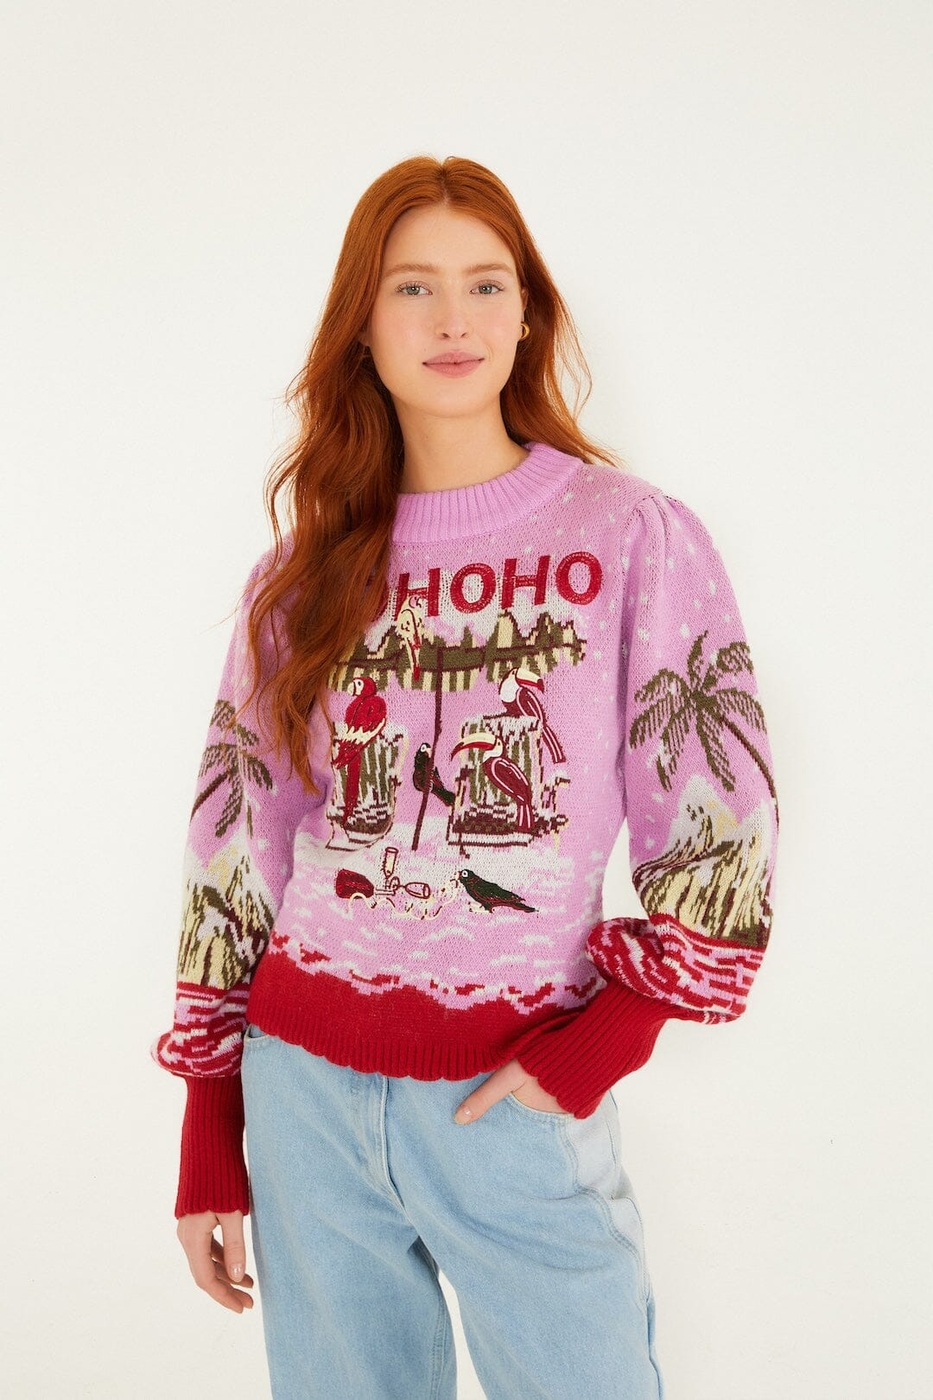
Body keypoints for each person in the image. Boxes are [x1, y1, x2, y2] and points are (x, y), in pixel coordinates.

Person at [154, 155, 777, 1400]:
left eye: (487, 284)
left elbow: (722, 816)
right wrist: (210, 1121)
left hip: (515, 1097)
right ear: (362, 324)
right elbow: (240, 831)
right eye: (413, 287)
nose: (454, 319)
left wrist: (602, 1044)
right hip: (302, 1094)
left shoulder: (628, 534)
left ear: (528, 313)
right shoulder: (303, 574)